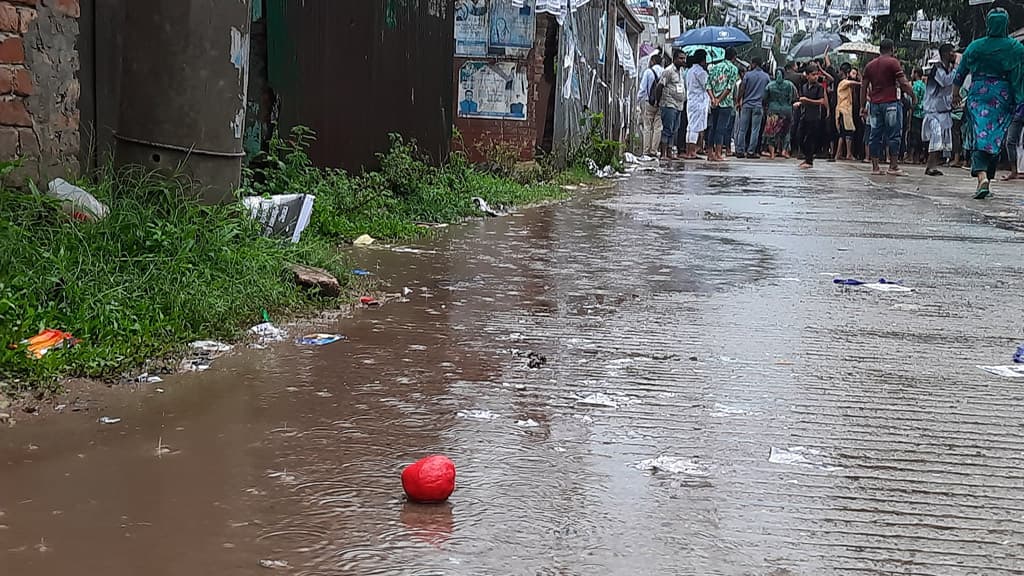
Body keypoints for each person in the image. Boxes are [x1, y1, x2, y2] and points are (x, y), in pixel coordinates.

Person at [953, 8, 1024, 198]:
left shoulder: (975, 46)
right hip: (1002, 96)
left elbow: (960, 72)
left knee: (980, 135)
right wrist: (1019, 99)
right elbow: (1018, 76)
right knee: (995, 139)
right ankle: (985, 179)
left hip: (977, 94)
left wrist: (954, 94)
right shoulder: (1015, 48)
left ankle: (982, 179)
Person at [862, 38, 916, 176]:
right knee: (894, 135)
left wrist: (862, 105)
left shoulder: (870, 65)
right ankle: (893, 166)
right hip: (891, 102)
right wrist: (913, 95)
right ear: (892, 49)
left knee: (874, 134)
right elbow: (903, 83)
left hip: (874, 104)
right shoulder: (893, 62)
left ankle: (875, 167)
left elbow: (863, 87)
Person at [922, 44, 957, 177]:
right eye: (952, 52)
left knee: (941, 141)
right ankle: (930, 166)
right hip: (933, 110)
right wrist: (955, 70)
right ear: (947, 53)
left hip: (943, 110)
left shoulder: (948, 68)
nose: (954, 55)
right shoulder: (937, 68)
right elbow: (944, 82)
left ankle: (933, 166)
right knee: (936, 138)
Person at [707, 48, 740, 162]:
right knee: (721, 128)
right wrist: (719, 99)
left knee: (713, 127)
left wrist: (713, 98)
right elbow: (729, 87)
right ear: (734, 57)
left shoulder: (714, 67)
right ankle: (718, 153)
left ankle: (710, 153)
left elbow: (708, 85)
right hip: (725, 103)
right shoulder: (733, 69)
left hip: (713, 102)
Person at [735, 57, 771, 159]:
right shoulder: (766, 77)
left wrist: (738, 100)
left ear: (754, 64)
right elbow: (768, 91)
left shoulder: (747, 75)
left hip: (746, 105)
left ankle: (740, 150)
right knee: (755, 129)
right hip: (758, 106)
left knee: (742, 129)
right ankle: (751, 152)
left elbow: (742, 88)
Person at [797, 63, 828, 169]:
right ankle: (806, 158)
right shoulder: (804, 86)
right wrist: (800, 103)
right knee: (799, 137)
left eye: (816, 74)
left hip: (814, 116)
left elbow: (821, 101)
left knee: (810, 139)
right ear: (807, 75)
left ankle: (809, 161)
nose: (815, 77)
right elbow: (801, 99)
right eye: (813, 74)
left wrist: (807, 100)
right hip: (804, 115)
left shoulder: (819, 87)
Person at [658, 49, 687, 160]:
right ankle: (663, 153)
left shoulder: (681, 71)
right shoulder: (668, 71)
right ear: (675, 59)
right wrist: (658, 101)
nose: (683, 60)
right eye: (680, 58)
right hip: (669, 104)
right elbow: (660, 86)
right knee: (667, 129)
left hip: (679, 105)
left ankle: (670, 152)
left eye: (684, 58)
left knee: (675, 129)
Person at [684, 49, 712, 160]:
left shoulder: (690, 71)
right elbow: (707, 85)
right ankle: (692, 152)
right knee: (695, 127)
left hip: (691, 101)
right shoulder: (700, 72)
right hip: (699, 102)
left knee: (690, 127)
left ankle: (688, 150)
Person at [764, 67, 797, 159]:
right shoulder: (790, 85)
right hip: (787, 110)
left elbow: (765, 98)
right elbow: (795, 96)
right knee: (786, 131)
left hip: (773, 110)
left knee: (771, 132)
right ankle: (784, 151)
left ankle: (772, 154)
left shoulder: (770, 85)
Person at [637, 52, 664, 157]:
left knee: (647, 126)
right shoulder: (664, 72)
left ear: (652, 61)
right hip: (661, 103)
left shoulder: (648, 72)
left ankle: (646, 151)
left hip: (649, 103)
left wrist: (638, 101)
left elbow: (643, 89)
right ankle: (654, 150)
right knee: (658, 127)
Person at [835, 66, 861, 161]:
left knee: (843, 134)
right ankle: (848, 154)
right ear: (847, 74)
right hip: (844, 110)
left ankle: (838, 154)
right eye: (852, 73)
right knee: (848, 133)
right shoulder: (844, 82)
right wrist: (861, 83)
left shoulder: (843, 85)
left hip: (844, 110)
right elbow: (851, 82)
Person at [908, 68, 927, 163]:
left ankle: (911, 157)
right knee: (920, 136)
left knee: (914, 135)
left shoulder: (915, 86)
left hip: (916, 113)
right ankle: (918, 157)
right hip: (923, 113)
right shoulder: (924, 86)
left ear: (916, 74)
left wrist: (911, 108)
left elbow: (914, 100)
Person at [1004, 103, 1023, 181]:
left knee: (1010, 142)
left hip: (1017, 113)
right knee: (1010, 142)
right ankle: (1014, 171)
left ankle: (1014, 171)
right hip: (1017, 113)